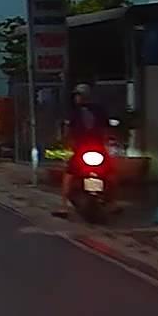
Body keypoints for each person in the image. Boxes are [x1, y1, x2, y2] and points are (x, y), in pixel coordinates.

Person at [59, 83, 109, 216]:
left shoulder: (98, 110)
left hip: (97, 148)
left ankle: (112, 201)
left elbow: (106, 129)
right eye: (77, 95)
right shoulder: (74, 112)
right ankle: (63, 205)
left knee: (111, 174)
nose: (78, 98)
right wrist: (67, 143)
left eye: (79, 95)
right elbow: (67, 131)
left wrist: (108, 142)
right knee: (69, 174)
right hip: (81, 149)